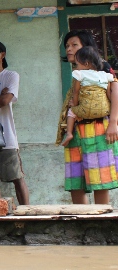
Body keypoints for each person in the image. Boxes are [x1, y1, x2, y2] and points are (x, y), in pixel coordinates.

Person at [56, 29, 118, 204]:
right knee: (76, 179)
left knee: (100, 179)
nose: (69, 49)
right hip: (76, 129)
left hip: (98, 127)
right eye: (67, 45)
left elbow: (115, 92)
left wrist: (113, 123)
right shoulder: (77, 71)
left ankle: (100, 221)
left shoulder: (101, 66)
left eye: (74, 45)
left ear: (87, 48)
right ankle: (82, 224)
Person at [0, 40, 30, 205]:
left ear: (2, 55)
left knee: (17, 177)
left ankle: (26, 213)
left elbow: (5, 100)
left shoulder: (11, 76)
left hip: (6, 136)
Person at [61, 46, 114, 147]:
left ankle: (69, 133)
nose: (75, 67)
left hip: (85, 111)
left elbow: (75, 92)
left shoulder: (79, 74)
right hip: (103, 111)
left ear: (86, 64)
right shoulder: (105, 75)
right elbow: (109, 95)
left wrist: (75, 104)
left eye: (77, 64)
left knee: (71, 112)